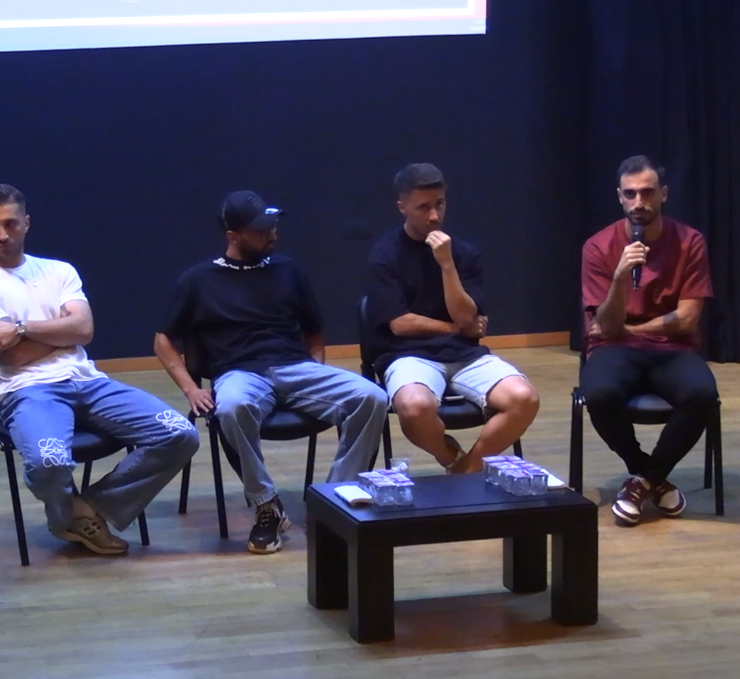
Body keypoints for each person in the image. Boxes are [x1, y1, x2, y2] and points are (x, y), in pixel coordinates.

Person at [0, 184, 199, 556]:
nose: (2, 234)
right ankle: (66, 518)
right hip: (27, 390)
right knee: (49, 463)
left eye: (10, 223)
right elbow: (16, 358)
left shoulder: (59, 271)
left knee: (180, 434)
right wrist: (63, 334)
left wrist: (21, 327)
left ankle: (86, 510)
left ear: (26, 223)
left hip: (88, 382)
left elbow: (84, 330)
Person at [154, 190, 388, 554]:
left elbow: (314, 329)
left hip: (295, 367)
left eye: (273, 226)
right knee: (231, 408)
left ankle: (333, 502)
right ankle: (267, 506)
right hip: (238, 373)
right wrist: (190, 389)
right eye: (262, 230)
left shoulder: (288, 270)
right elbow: (163, 340)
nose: (272, 234)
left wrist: (316, 368)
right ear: (233, 236)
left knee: (372, 397)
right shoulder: (198, 280)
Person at [365, 163, 539, 475]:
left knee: (524, 398)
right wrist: (456, 327)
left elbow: (467, 316)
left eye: (440, 204)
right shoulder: (385, 254)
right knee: (414, 407)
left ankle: (467, 471)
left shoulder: (463, 254)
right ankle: (451, 458)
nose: (434, 216)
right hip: (408, 355)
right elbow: (400, 324)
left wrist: (446, 265)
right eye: (423, 207)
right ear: (402, 208)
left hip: (465, 354)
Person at [581, 155, 716, 526]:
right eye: (630, 194)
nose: (639, 202)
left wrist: (630, 330)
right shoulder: (598, 246)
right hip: (614, 350)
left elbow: (687, 319)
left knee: (702, 395)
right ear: (619, 197)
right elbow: (607, 326)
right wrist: (619, 277)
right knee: (599, 394)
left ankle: (642, 481)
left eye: (647, 192)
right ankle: (650, 476)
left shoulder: (690, 242)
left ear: (664, 194)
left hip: (673, 349)